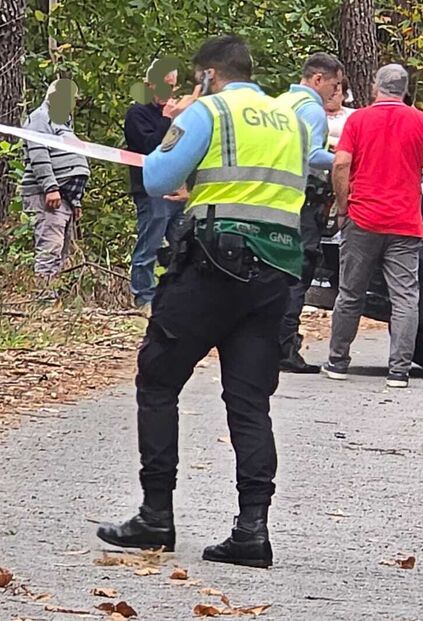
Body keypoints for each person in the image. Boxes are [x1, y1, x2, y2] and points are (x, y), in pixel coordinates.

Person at [96, 35, 310, 567]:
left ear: (209, 75)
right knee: (249, 401)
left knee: (159, 379)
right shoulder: (293, 120)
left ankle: (155, 515)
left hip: (213, 266)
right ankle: (252, 530)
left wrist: (181, 120)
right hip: (275, 271)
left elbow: (154, 178)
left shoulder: (210, 110)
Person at [324, 64, 423, 388]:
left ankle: (337, 361)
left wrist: (343, 205)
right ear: (405, 90)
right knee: (405, 297)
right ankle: (399, 371)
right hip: (405, 222)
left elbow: (340, 162)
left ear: (376, 86)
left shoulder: (359, 120)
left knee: (350, 293)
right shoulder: (421, 122)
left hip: (362, 217)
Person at [276, 52, 344, 374]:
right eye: (334, 84)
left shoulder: (281, 103)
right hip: (303, 202)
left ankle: (265, 343)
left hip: (275, 198)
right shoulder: (313, 111)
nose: (335, 92)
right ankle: (286, 348)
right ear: (318, 79)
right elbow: (312, 155)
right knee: (297, 274)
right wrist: (344, 158)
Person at [124, 59, 185, 309]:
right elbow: (151, 147)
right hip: (150, 189)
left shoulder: (178, 116)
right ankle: (143, 296)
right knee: (149, 243)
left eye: (172, 86)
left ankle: (177, 294)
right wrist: (166, 119)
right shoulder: (137, 112)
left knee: (182, 244)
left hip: (177, 189)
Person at [20, 79, 90, 290]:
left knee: (61, 250)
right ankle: (43, 296)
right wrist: (50, 187)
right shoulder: (41, 117)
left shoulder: (63, 123)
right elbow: (38, 153)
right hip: (46, 193)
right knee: (50, 245)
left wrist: (76, 201)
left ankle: (51, 293)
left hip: (65, 196)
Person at [325, 78, 355, 145]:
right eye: (327, 91)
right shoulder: (314, 114)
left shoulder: (354, 115)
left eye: (336, 92)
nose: (330, 96)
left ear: (344, 95)